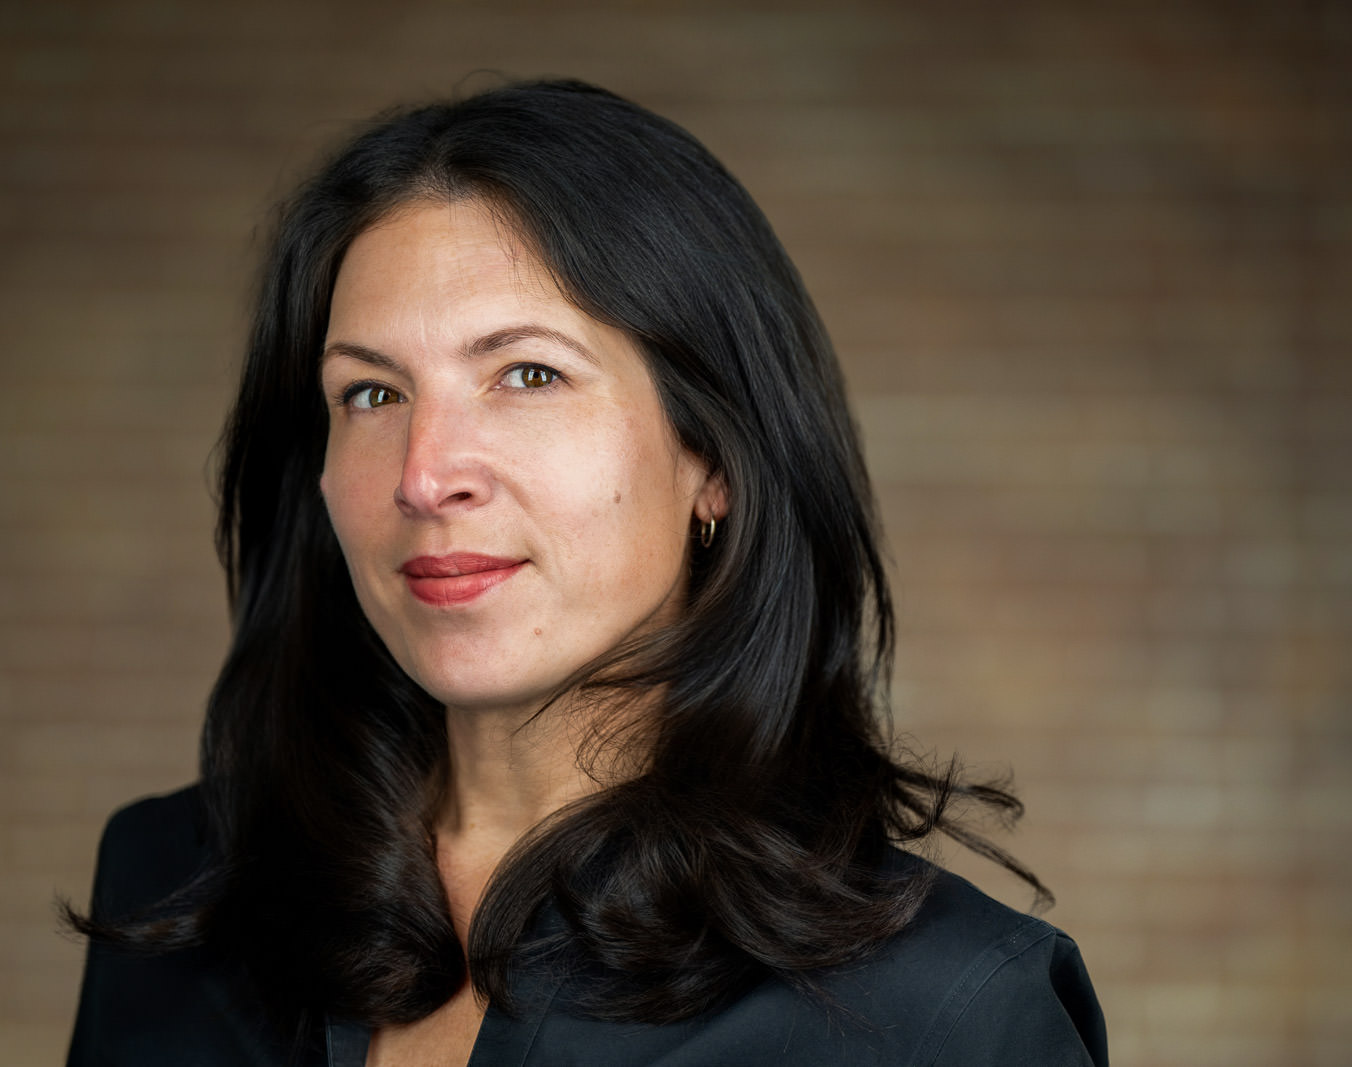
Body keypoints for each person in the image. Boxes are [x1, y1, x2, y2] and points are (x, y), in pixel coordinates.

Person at [65, 79, 1108, 1066]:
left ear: (714, 459)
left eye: (528, 374)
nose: (424, 476)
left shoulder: (947, 1011)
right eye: (371, 394)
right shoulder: (173, 883)